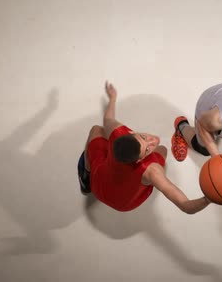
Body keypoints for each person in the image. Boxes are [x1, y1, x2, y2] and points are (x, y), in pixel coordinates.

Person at [77, 81, 211, 214]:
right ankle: (148, 180)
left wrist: (112, 98)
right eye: (147, 150)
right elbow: (186, 206)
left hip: (98, 184)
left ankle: (86, 176)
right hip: (122, 203)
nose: (153, 141)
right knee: (163, 150)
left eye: (144, 138)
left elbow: (108, 119)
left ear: (130, 133)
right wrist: (208, 199)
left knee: (96, 130)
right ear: (138, 161)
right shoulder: (152, 170)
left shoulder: (117, 133)